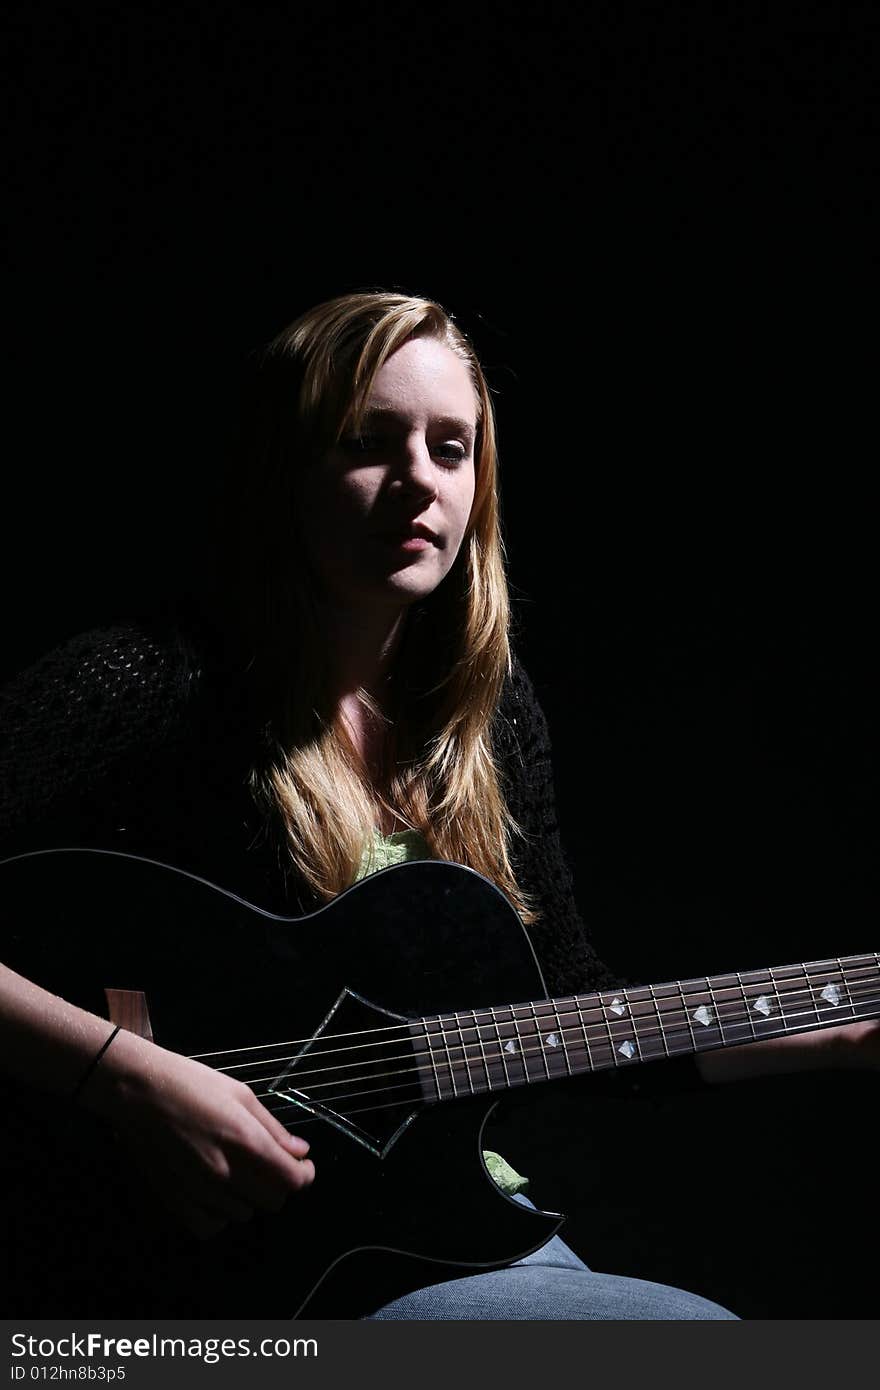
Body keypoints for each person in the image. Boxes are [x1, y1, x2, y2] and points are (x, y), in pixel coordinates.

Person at [1, 291, 876, 1320]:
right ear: (285, 469)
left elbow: (558, 1008)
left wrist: (839, 1026)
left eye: (450, 447)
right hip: (174, 1272)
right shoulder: (143, 686)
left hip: (421, 1233)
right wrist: (127, 1078)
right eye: (367, 441)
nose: (418, 478)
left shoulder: (489, 719)